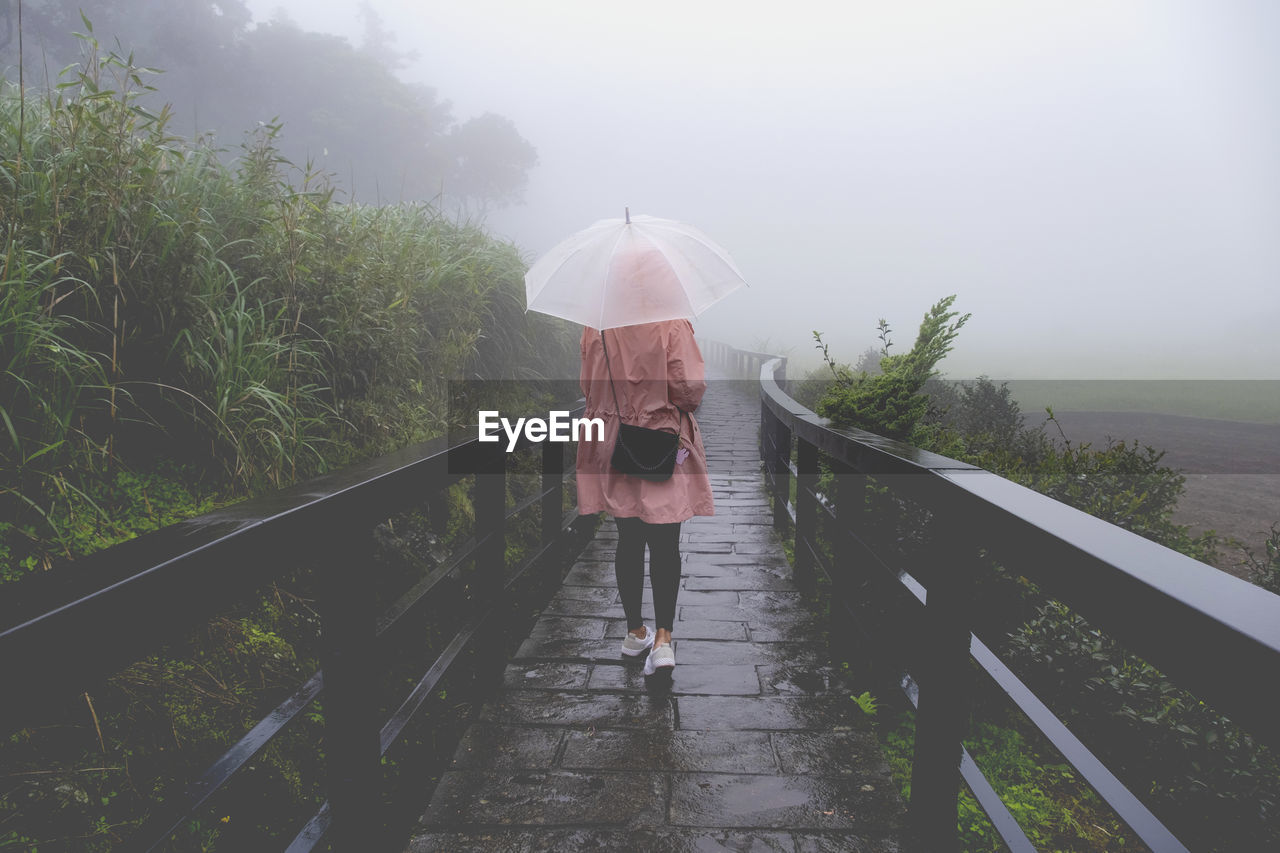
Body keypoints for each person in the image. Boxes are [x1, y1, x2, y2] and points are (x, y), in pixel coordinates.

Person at [576, 312, 714, 678]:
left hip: (613, 441)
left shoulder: (597, 322)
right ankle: (663, 640)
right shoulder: (671, 321)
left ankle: (635, 632)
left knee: (628, 536)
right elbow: (689, 391)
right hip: (660, 439)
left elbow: (587, 387)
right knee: (665, 541)